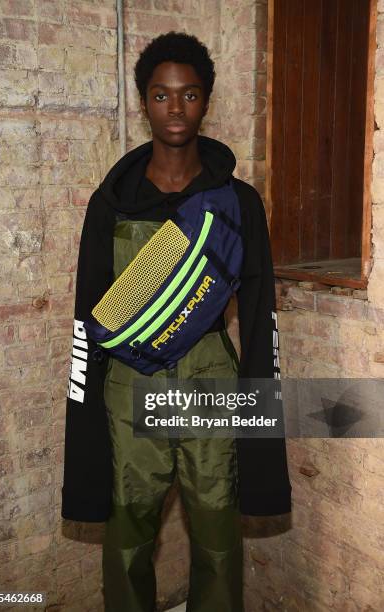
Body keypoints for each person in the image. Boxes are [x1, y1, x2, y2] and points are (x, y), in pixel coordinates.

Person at [62, 31, 292, 612]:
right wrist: (83, 413)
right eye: (161, 96)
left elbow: (261, 319)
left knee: (217, 537)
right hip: (129, 387)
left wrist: (263, 415)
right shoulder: (112, 202)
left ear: (205, 101)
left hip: (210, 379)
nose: (175, 108)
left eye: (188, 95)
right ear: (144, 102)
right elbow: (88, 317)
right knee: (128, 537)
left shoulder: (238, 203)